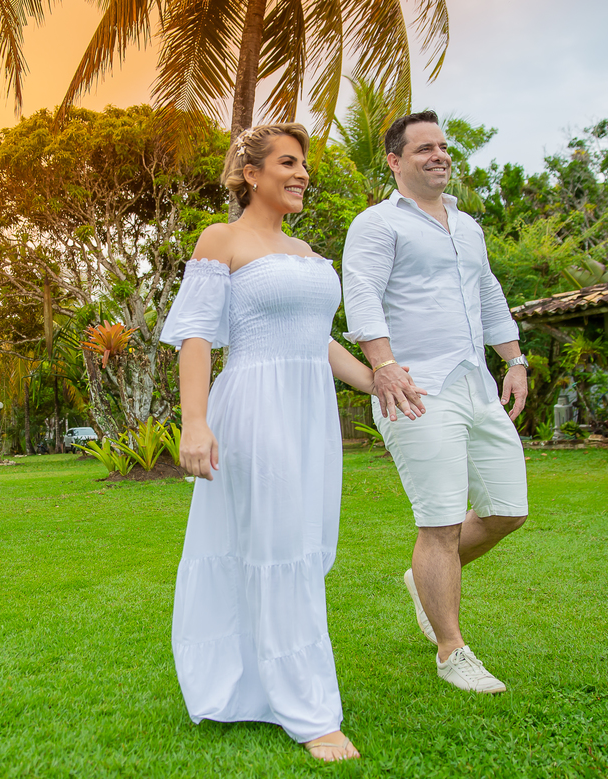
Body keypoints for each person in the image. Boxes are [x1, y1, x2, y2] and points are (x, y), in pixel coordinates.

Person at [160, 123, 423, 762]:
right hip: (254, 408)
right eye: (288, 162)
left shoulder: (305, 250)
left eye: (304, 165)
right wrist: (195, 423)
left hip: (309, 414)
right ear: (250, 173)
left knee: (303, 547)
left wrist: (378, 379)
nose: (302, 174)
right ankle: (310, 712)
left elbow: (317, 339)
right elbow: (196, 335)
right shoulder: (221, 239)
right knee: (280, 549)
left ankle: (261, 682)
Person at [341, 110, 529, 694]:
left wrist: (515, 359)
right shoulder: (376, 224)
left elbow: (488, 291)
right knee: (440, 522)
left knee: (508, 510)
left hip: (476, 382)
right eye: (424, 148)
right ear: (395, 161)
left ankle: (422, 579)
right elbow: (362, 293)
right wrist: (383, 365)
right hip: (415, 388)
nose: (439, 155)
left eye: (443, 146)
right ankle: (452, 651)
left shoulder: (467, 226)